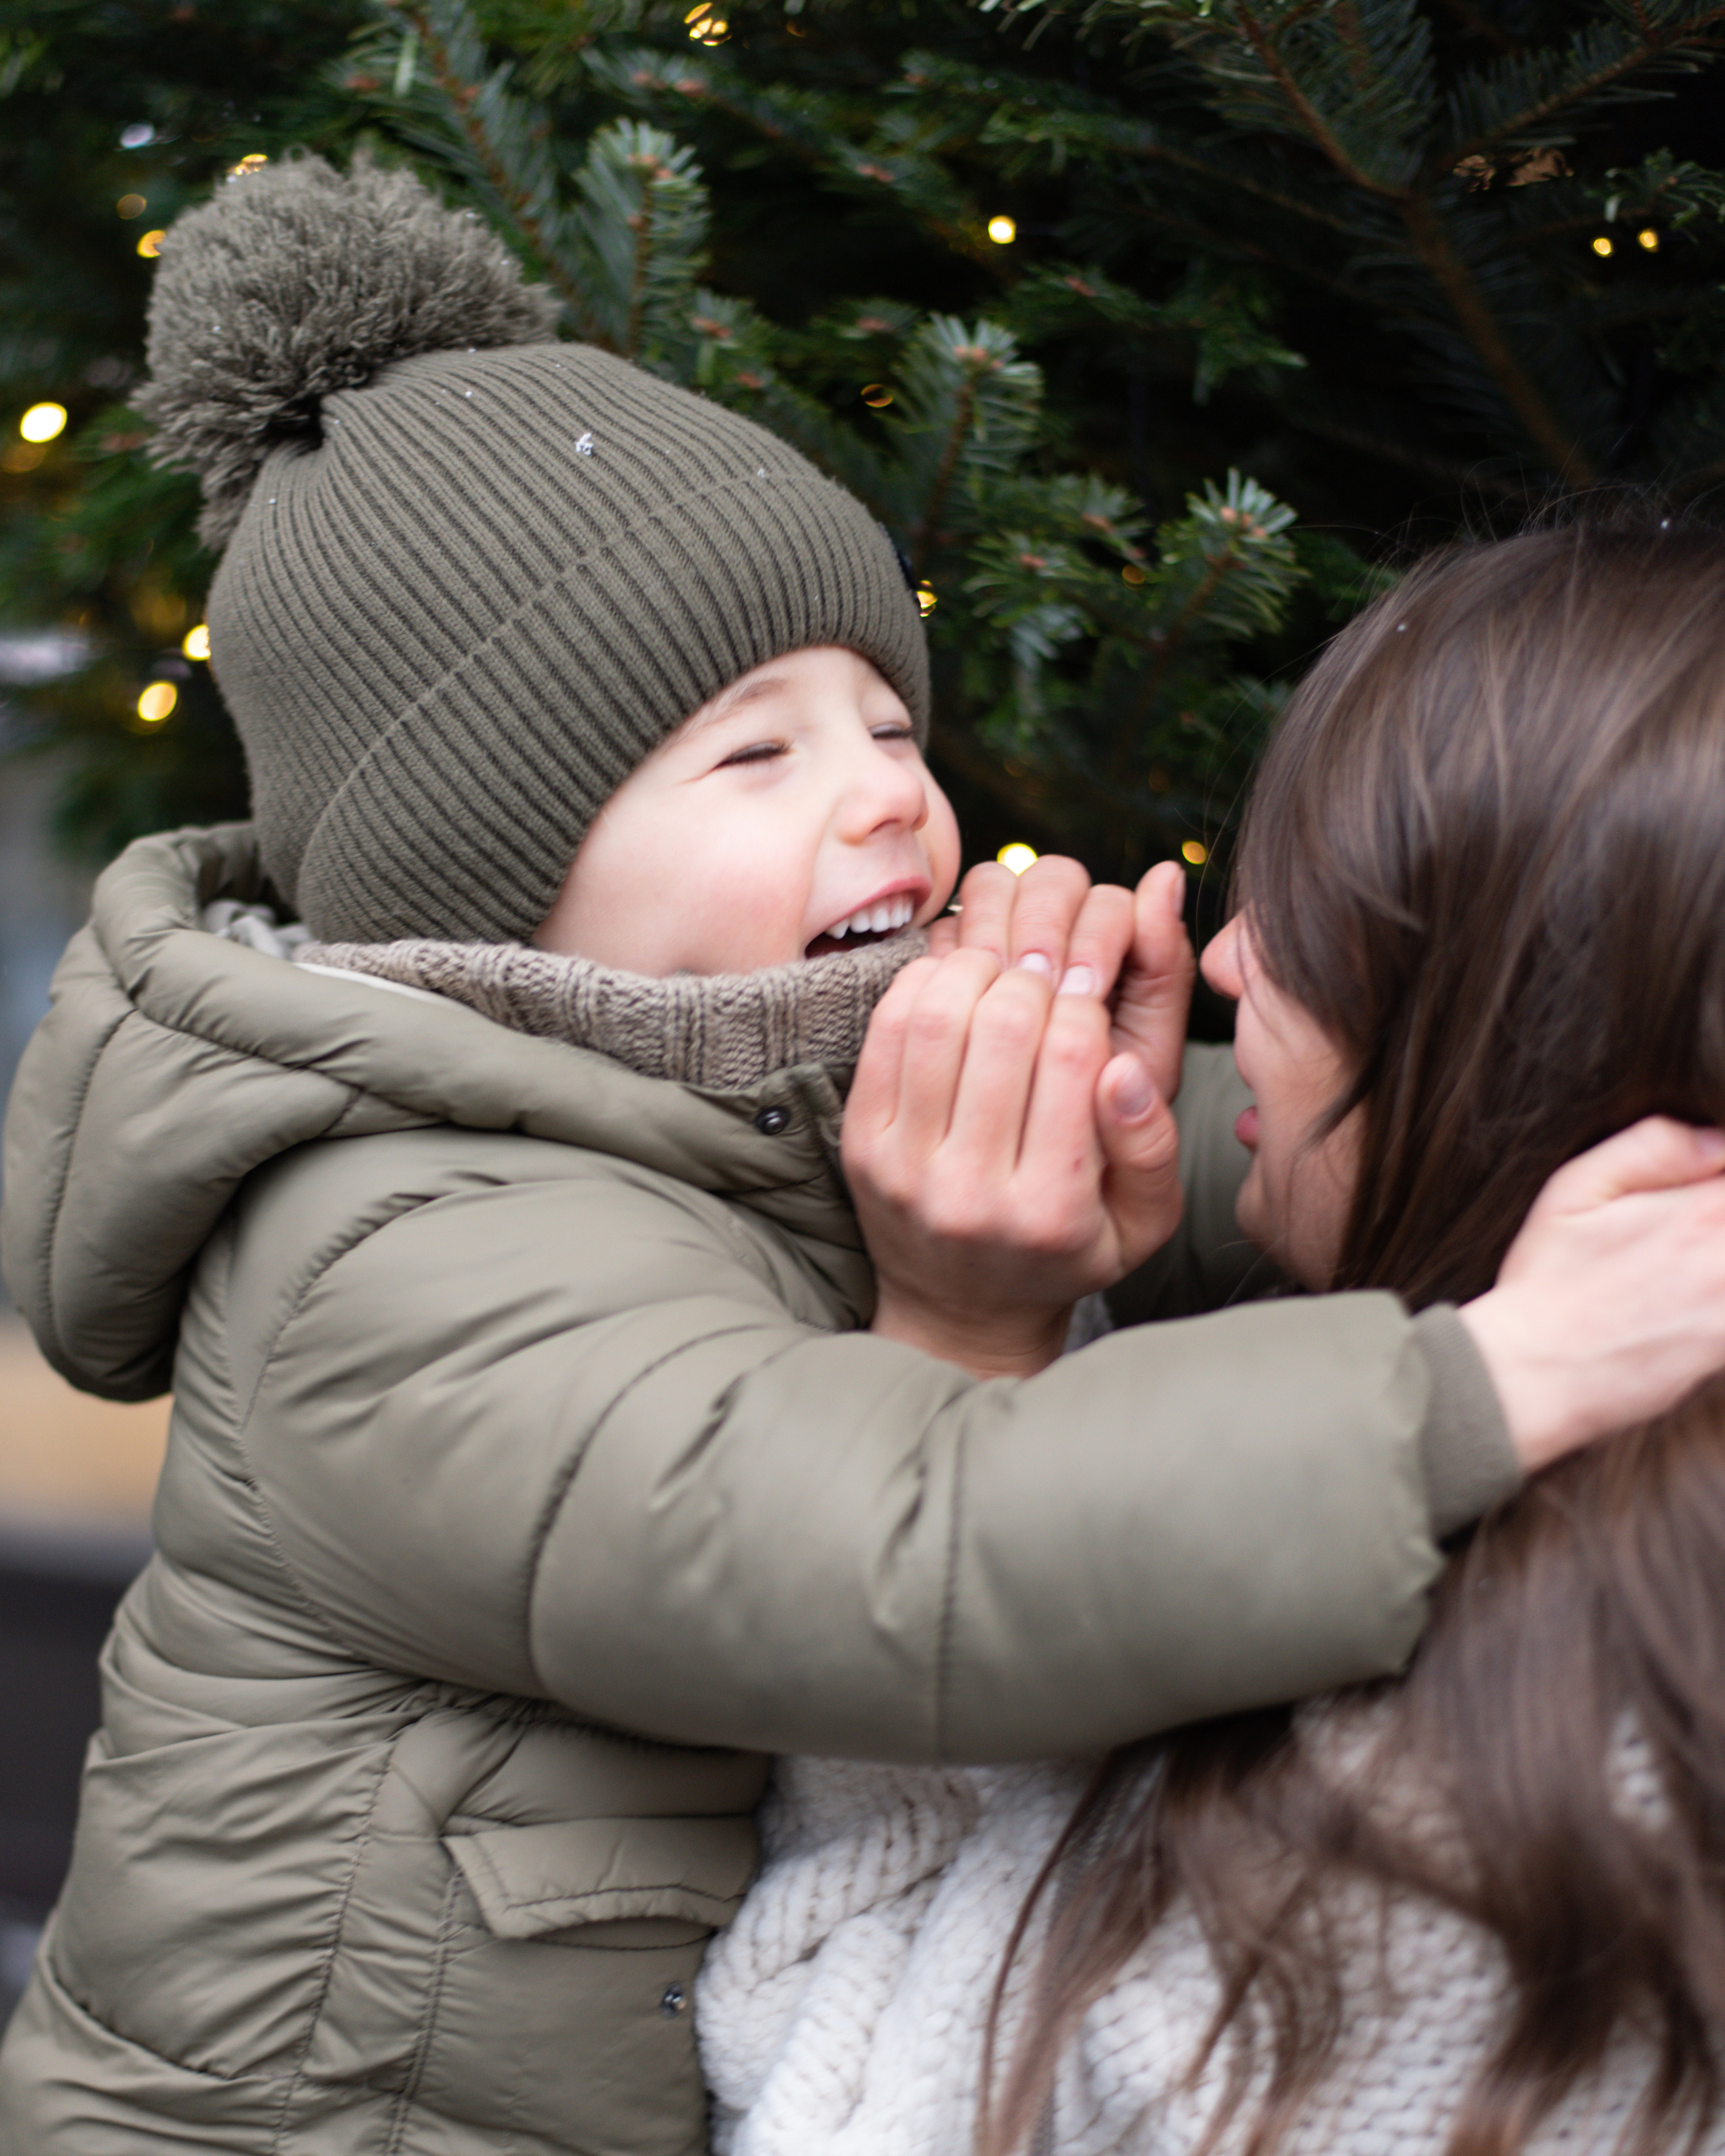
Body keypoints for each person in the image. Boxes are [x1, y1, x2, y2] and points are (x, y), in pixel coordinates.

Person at [1, 146, 1722, 2156]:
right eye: (758, 752)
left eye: (888, 724)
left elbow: (1289, 1172)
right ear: (492, 885)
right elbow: (913, 1557)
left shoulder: (737, 1079)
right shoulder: (396, 1264)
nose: (890, 803)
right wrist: (1495, 1379)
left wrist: (1239, 1111)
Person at [695, 515, 1725, 2156]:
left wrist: (950, 1359)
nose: (1233, 958)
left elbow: (835, 2102)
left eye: (1319, 927)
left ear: (1529, 1020)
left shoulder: (1494, 1798)